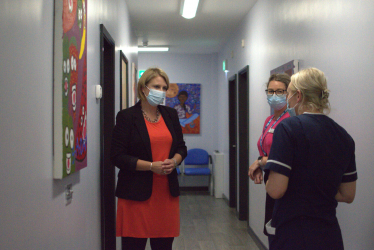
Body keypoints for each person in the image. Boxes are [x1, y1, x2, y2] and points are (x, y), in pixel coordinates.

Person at [264, 68, 357, 250]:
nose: (287, 99)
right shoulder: (343, 136)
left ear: (298, 96)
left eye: (288, 93)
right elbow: (348, 194)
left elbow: (276, 190)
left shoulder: (289, 128)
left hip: (294, 234)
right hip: (328, 234)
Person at [110, 67, 187, 250]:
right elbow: (117, 156)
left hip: (166, 195)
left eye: (164, 87)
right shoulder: (127, 117)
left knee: (163, 246)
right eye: (156, 86)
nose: (161, 91)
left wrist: (174, 161)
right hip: (135, 197)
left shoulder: (170, 114)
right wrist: (151, 166)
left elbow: (181, 147)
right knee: (134, 245)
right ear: (144, 88)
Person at [248, 73, 291, 244]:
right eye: (270, 91)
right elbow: (267, 151)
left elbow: (285, 157)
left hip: (285, 182)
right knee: (271, 229)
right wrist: (260, 163)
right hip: (270, 178)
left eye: (279, 91)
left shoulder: (291, 120)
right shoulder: (269, 120)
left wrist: (260, 162)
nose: (274, 96)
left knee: (281, 233)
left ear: (290, 93)